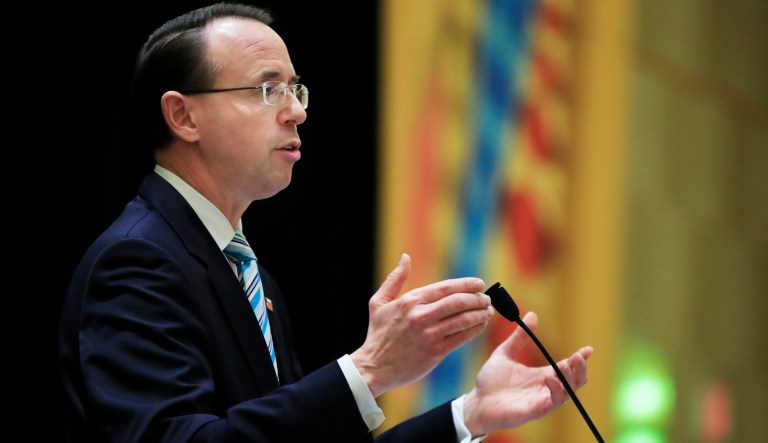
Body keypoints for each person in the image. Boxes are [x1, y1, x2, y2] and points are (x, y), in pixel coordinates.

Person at [58, 3, 594, 442]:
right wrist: (369, 370)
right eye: (266, 89)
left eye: (295, 89)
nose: (297, 111)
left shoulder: (250, 276)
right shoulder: (137, 262)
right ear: (183, 116)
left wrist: (470, 415)